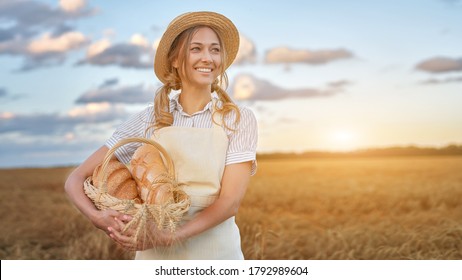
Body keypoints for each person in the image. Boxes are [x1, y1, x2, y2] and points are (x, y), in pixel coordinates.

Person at [64, 11, 258, 260]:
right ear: (175, 59)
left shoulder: (238, 119)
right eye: (196, 49)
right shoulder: (149, 119)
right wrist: (97, 217)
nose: (208, 58)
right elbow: (76, 178)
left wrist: (168, 237)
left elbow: (229, 203)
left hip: (216, 255)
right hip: (154, 256)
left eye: (215, 50)